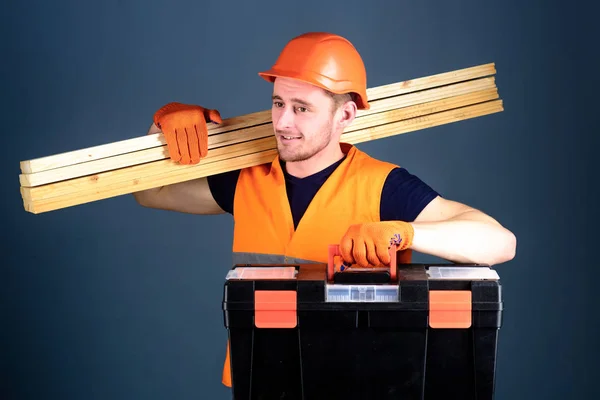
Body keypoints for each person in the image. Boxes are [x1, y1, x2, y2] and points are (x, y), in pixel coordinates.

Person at [132, 32, 517, 388]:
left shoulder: (382, 187)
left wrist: (405, 232)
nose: (282, 122)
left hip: (357, 386)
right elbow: (150, 194)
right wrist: (159, 129)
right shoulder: (247, 181)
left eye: (302, 109)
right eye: (278, 103)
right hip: (262, 384)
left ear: (345, 116)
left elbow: (500, 243)